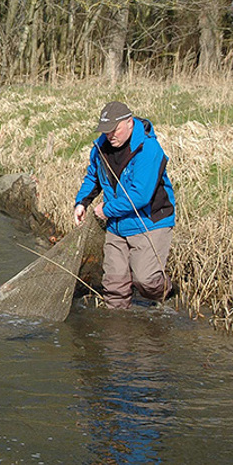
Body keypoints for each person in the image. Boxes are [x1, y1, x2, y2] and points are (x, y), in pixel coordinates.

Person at [74, 101, 175, 309]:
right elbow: (93, 176)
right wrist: (82, 202)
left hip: (149, 222)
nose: (110, 136)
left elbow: (140, 196)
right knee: (114, 286)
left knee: (146, 281)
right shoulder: (100, 148)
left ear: (129, 122)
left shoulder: (148, 149)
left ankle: (169, 291)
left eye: (114, 130)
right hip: (116, 225)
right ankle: (117, 333)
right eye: (106, 131)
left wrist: (105, 210)